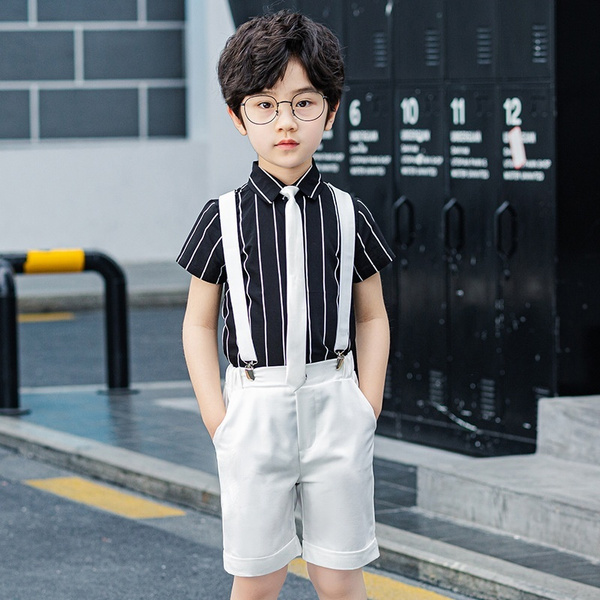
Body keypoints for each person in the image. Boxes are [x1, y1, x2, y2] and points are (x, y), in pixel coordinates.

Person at [177, 10, 394, 600]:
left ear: (330, 110)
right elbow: (198, 324)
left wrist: (365, 402)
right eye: (265, 105)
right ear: (237, 116)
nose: (285, 122)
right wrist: (219, 420)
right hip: (254, 408)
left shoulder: (349, 214)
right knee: (257, 577)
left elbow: (372, 315)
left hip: (336, 403)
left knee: (340, 576)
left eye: (303, 103)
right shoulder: (220, 217)